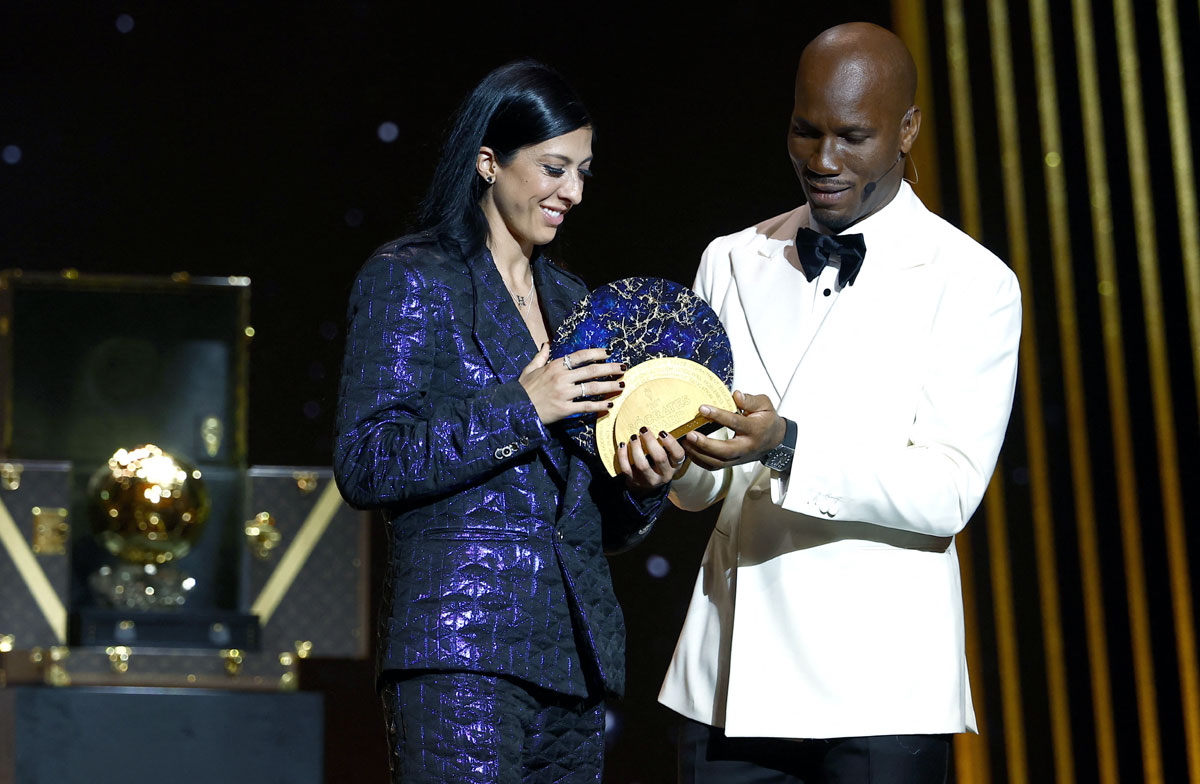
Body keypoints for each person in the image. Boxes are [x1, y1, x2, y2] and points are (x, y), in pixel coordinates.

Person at [658, 23, 1022, 783]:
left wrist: (787, 443)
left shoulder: (972, 282)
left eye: (852, 137)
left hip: (879, 689)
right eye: (805, 131)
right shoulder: (729, 259)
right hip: (730, 680)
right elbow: (702, 490)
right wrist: (669, 458)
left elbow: (948, 490)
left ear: (907, 130)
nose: (822, 161)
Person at [333, 60, 686, 783]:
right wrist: (523, 406)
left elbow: (590, 515)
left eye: (584, 172)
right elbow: (368, 460)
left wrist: (644, 482)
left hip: (573, 659)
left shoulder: (576, 299)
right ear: (488, 161)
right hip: (459, 644)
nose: (574, 193)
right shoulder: (411, 276)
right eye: (555, 168)